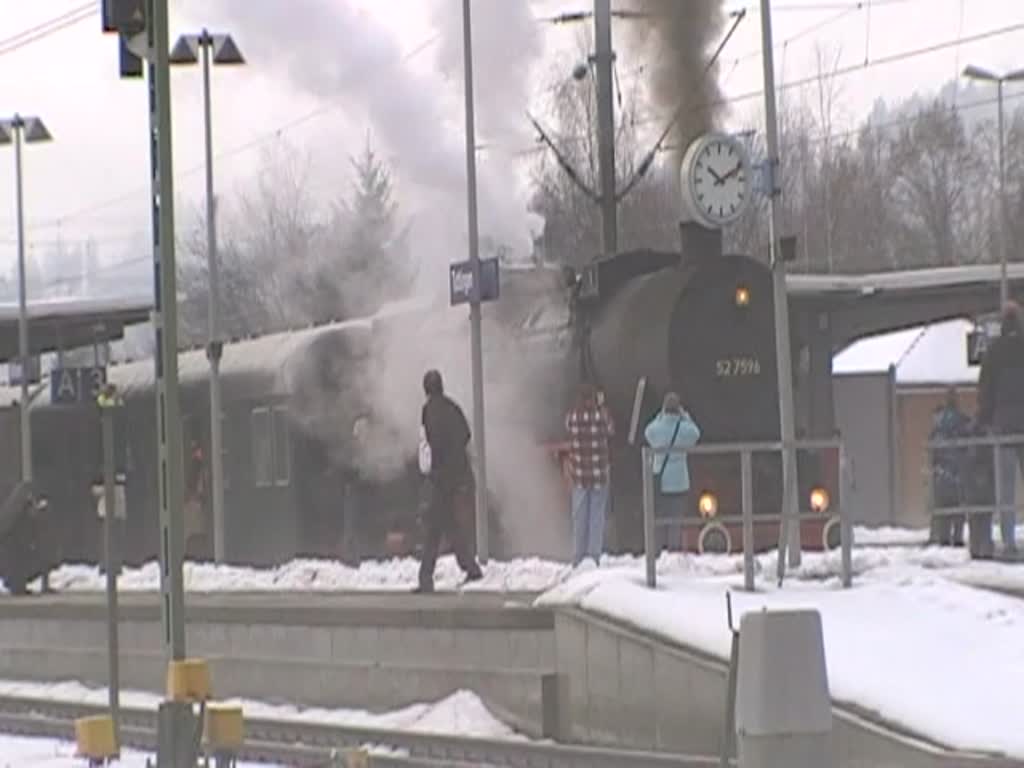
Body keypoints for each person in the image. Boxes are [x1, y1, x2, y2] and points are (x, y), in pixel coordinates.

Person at [415, 369, 482, 592]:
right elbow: (466, 435)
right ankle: (470, 568)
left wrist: (433, 468)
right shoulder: (453, 407)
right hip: (458, 474)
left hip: (440, 477)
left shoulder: (428, 410)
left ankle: (426, 579)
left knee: (434, 528)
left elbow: (428, 444)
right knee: (449, 524)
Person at [977, 301, 1024, 556]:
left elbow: (986, 390)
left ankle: (1009, 540)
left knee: (1005, 488)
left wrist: (984, 420)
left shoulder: (994, 351)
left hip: (1003, 428)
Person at [564, 382, 615, 566]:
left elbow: (567, 426)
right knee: (596, 517)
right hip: (599, 474)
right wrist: (601, 405)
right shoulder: (601, 417)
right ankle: (594, 556)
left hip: (579, 475)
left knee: (579, 516)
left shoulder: (573, 418)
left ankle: (578, 556)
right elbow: (611, 429)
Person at [644, 393, 701, 553]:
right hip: (679, 481)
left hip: (660, 480)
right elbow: (696, 433)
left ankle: (657, 552)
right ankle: (673, 551)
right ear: (679, 410)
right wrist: (686, 417)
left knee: (660, 519)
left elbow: (648, 432)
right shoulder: (684, 429)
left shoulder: (657, 428)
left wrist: (660, 416)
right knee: (676, 520)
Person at [928, 386, 971, 546]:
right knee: (958, 508)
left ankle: (943, 540)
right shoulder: (963, 421)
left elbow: (932, 446)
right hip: (958, 471)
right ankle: (957, 539)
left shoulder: (938, 423)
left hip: (942, 472)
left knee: (943, 509)